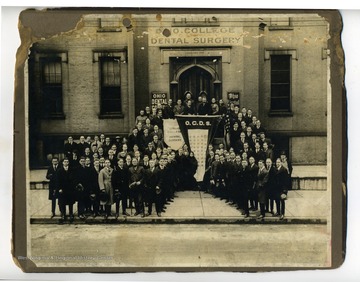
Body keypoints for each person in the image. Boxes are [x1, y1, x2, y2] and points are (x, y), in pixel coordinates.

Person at [56, 158, 75, 222]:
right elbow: (58, 181)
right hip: (63, 189)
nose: (66, 163)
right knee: (62, 202)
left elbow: (73, 179)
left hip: (70, 189)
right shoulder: (59, 171)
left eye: (67, 161)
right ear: (62, 163)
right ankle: (63, 214)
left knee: (70, 202)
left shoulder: (71, 170)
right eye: (65, 162)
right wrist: (59, 188)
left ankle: (71, 214)